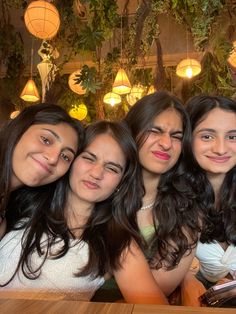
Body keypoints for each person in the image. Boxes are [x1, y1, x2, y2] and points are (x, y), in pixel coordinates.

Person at [0, 120, 167, 304]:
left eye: (112, 168)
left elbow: (155, 307)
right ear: (70, 160)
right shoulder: (25, 201)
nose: (96, 173)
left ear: (121, 182)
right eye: (89, 158)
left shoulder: (117, 242)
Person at [124, 91, 201, 298]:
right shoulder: (102, 193)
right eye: (155, 130)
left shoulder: (187, 210)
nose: (166, 144)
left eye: (176, 136)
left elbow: (155, 293)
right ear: (132, 132)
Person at [181, 95, 236, 306]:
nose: (221, 148)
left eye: (232, 136)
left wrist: (230, 283)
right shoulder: (171, 194)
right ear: (187, 139)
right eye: (207, 136)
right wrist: (185, 280)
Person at [0, 103, 83, 238]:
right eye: (46, 140)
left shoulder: (11, 211)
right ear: (20, 129)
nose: (53, 158)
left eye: (65, 156)